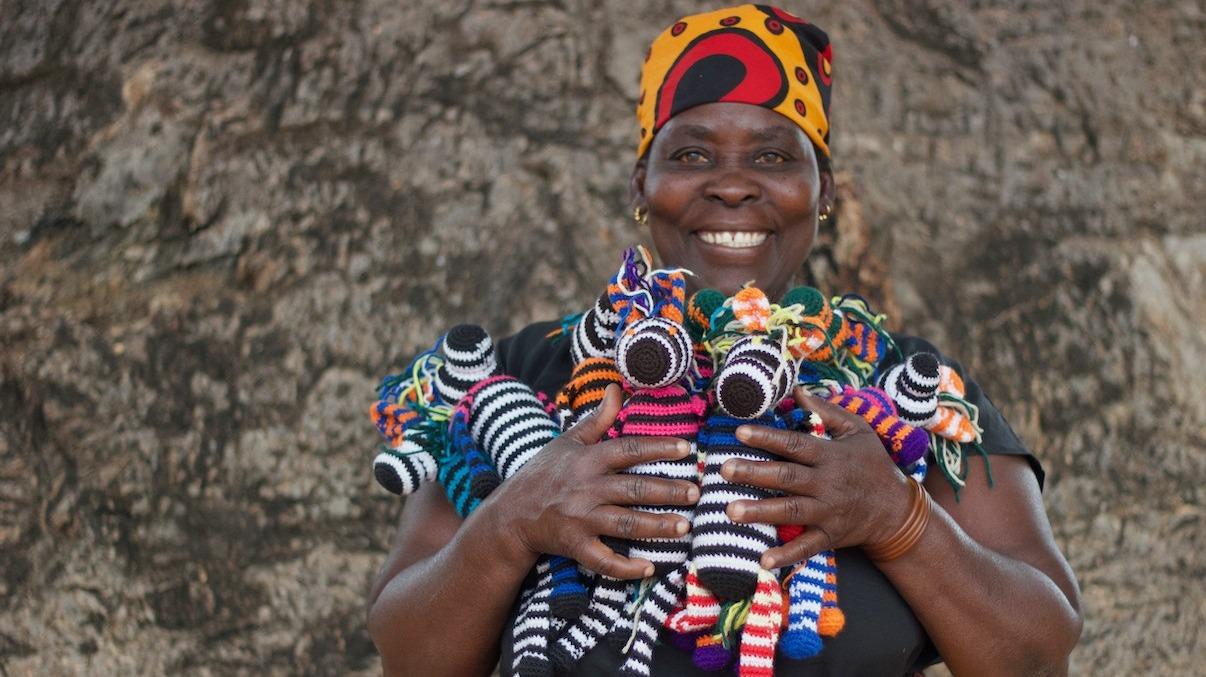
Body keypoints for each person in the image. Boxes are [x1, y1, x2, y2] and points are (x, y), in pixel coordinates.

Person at [367, 5, 1082, 675]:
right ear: (640, 186)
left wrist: (897, 517)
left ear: (824, 191)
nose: (732, 186)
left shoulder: (909, 391)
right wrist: (514, 520)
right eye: (690, 156)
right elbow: (408, 652)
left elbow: (1038, 650)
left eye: (772, 157)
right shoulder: (521, 376)